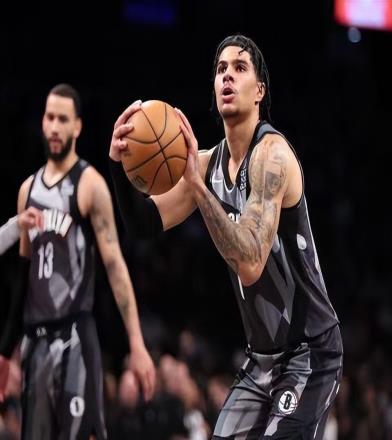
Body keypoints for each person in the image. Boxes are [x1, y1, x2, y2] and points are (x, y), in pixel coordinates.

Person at [109, 34, 343, 439]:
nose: (228, 77)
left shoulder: (272, 156)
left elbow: (250, 263)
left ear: (260, 91)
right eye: (221, 70)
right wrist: (118, 166)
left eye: (239, 68)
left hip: (310, 351)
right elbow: (142, 226)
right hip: (262, 358)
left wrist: (197, 189)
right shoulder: (207, 164)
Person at [0, 83, 156, 440]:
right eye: (49, 117)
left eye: (63, 119)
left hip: (75, 335)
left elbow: (115, 265)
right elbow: (22, 277)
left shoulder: (90, 185)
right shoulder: (27, 191)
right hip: (35, 340)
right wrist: (6, 351)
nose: (55, 126)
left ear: (77, 126)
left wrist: (136, 342)